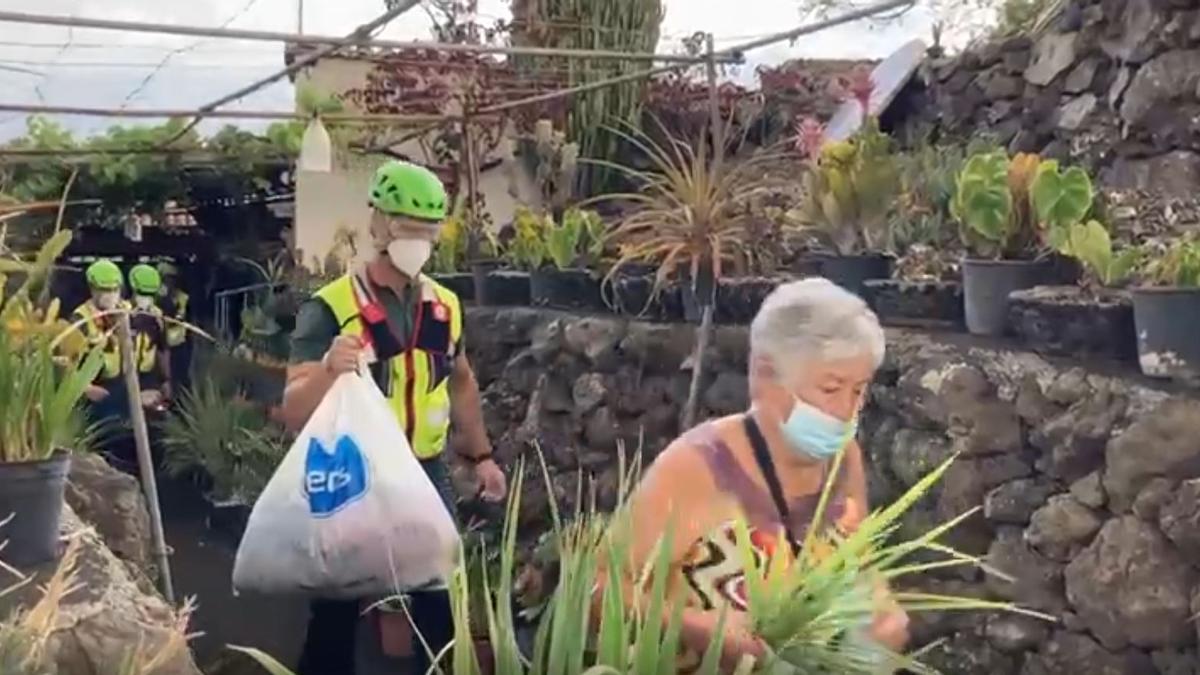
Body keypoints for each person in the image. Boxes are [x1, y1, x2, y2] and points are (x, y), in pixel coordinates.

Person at [604, 278, 909, 673]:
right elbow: (598, 589)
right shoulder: (697, 467)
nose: (846, 412)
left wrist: (882, 612)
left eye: (859, 391)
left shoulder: (842, 458)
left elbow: (859, 564)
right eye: (831, 388)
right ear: (767, 376)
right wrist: (695, 626)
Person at [280, 159, 507, 675]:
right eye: (408, 229)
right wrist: (327, 371)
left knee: (440, 600)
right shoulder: (330, 308)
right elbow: (293, 408)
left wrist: (483, 456)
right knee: (338, 609)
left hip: (424, 471)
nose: (419, 242)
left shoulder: (445, 306)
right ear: (379, 225)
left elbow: (462, 382)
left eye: (428, 231)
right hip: (355, 477)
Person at [75, 259, 130, 422]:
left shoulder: (124, 311)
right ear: (93, 289)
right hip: (93, 391)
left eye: (115, 289)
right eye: (105, 290)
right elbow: (66, 361)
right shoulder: (80, 319)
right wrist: (85, 388)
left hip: (120, 385)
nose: (111, 294)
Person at [127, 263, 172, 406]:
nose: (146, 299)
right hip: (123, 376)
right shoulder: (122, 314)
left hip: (147, 375)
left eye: (150, 295)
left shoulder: (157, 316)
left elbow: (162, 348)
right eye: (142, 293)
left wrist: (165, 380)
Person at [157, 261, 191, 391]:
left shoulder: (183, 297)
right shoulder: (158, 298)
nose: (169, 282)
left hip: (179, 343)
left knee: (181, 377)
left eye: (171, 278)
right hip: (162, 343)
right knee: (165, 377)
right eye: (166, 278)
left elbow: (185, 318)